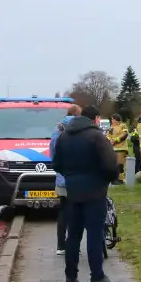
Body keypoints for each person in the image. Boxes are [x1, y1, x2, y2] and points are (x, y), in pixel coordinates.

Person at [53, 105, 120, 282]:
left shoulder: (64, 137)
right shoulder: (97, 136)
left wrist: (71, 177)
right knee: (95, 234)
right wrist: (106, 180)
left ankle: (71, 277)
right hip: (95, 193)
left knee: (73, 235)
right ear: (96, 118)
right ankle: (97, 277)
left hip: (72, 192)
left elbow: (56, 163)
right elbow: (109, 164)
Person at [50, 104, 82, 255]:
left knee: (63, 211)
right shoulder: (80, 130)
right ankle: (73, 245)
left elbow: (52, 154)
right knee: (76, 211)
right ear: (77, 114)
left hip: (62, 178)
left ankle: (60, 246)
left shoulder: (57, 131)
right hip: (78, 178)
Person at [107, 114, 130, 183]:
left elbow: (125, 135)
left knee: (120, 164)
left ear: (116, 120)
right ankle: (115, 178)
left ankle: (120, 179)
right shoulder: (111, 127)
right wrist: (109, 140)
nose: (112, 121)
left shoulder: (123, 125)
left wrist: (116, 140)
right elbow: (108, 135)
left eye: (113, 119)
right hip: (113, 148)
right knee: (114, 164)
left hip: (121, 148)